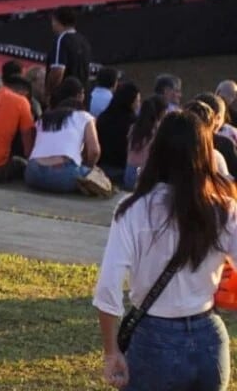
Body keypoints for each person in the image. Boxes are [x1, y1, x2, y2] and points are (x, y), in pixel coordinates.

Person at [94, 110, 237, 391]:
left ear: (156, 150)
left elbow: (108, 290)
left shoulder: (133, 210)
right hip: (209, 337)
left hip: (153, 339)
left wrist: (111, 353)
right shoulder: (224, 209)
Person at [25, 77, 114, 196]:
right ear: (79, 97)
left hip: (32, 173)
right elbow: (94, 151)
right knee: (99, 176)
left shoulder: (44, 117)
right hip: (63, 176)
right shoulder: (85, 117)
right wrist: (88, 167)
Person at [96, 82, 141, 185]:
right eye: (137, 101)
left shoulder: (103, 117)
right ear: (130, 102)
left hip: (100, 170)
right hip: (122, 171)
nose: (139, 104)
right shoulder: (134, 123)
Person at [126, 96, 170, 191]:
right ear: (161, 113)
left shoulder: (133, 128)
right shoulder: (158, 131)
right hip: (144, 176)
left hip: (129, 175)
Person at [47, 5, 92, 97]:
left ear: (57, 21)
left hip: (65, 96)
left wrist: (49, 94)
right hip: (82, 94)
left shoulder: (62, 39)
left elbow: (58, 71)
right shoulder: (83, 40)